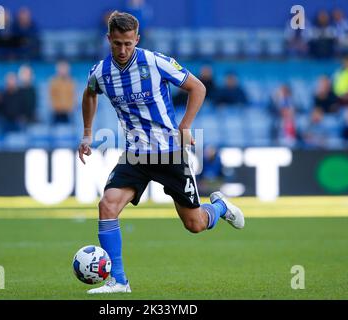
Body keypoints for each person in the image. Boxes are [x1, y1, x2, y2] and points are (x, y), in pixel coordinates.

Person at [78, 11, 244, 294]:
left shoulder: (155, 62)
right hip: (135, 155)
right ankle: (118, 281)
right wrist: (87, 133)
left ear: (137, 39)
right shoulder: (100, 72)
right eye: (117, 43)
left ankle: (219, 208)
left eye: (128, 44)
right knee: (107, 205)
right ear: (109, 39)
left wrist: (186, 126)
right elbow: (90, 94)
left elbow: (198, 87)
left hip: (169, 153)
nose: (122, 50)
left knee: (194, 224)